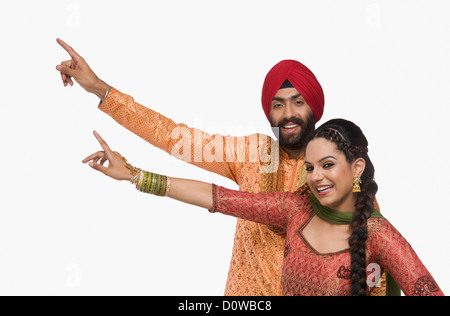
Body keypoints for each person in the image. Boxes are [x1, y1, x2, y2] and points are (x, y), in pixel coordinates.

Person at [81, 118, 443, 296]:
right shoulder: (296, 209)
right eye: (311, 167)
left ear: (357, 167)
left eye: (328, 165)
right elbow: (217, 198)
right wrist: (135, 175)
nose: (317, 177)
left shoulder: (378, 234)